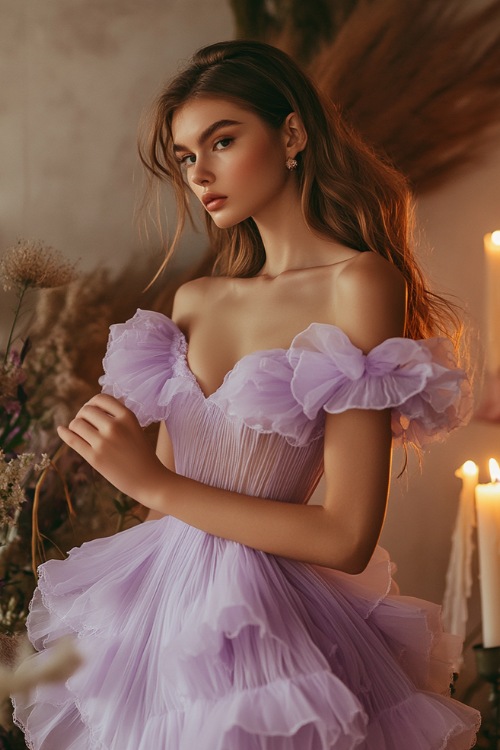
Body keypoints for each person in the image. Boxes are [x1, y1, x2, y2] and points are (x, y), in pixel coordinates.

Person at [13, 40, 481, 748]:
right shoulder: (195, 299)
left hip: (270, 630)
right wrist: (137, 472)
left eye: (222, 141)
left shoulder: (358, 283)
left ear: (292, 134)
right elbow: (161, 494)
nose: (200, 173)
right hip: (155, 620)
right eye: (184, 156)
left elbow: (348, 538)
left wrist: (148, 480)